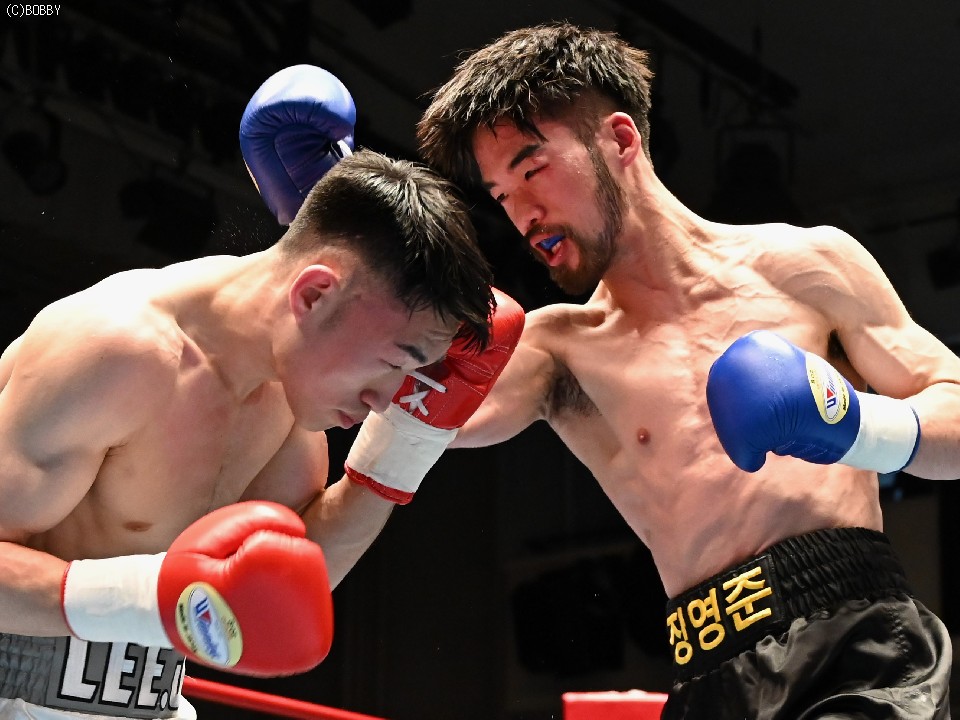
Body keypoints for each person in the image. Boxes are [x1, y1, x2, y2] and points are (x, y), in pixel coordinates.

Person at [411, 22, 960, 719]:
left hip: (855, 643)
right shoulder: (558, 350)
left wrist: (854, 425)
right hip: (708, 676)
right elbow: (412, 411)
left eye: (531, 171)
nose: (522, 214)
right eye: (500, 195)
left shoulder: (806, 266)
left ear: (620, 140)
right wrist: (345, 257)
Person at [0, 134, 526, 719]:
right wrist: (146, 597)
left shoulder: (283, 395)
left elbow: (294, 576)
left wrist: (405, 446)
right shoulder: (117, 353)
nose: (387, 400)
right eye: (393, 361)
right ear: (316, 294)